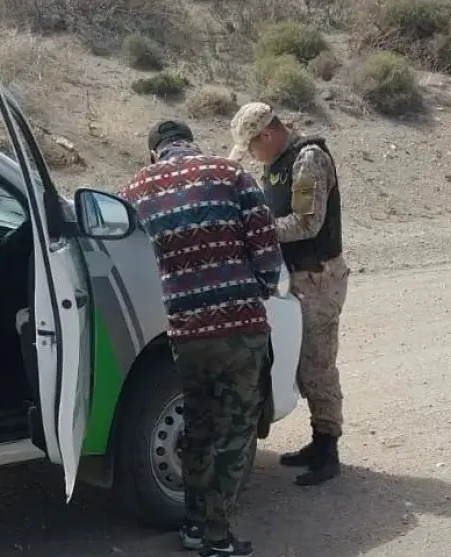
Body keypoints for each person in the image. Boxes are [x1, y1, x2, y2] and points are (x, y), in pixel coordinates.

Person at [118, 120, 283, 557]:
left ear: (155, 154)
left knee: (198, 428)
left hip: (187, 331)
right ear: (191, 143)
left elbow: (120, 241)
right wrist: (258, 287)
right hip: (240, 328)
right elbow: (266, 247)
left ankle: (193, 525)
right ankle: (217, 538)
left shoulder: (138, 187)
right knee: (234, 433)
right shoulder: (230, 175)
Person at [227, 102, 350, 487]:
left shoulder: (307, 159)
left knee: (316, 364)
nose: (252, 156)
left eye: (252, 147)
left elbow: (306, 222)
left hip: (317, 279)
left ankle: (328, 446)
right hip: (294, 278)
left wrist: (255, 230)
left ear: (267, 134)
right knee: (299, 364)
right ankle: (319, 441)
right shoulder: (278, 164)